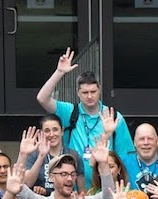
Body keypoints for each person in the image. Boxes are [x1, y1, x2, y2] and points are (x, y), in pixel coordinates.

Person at [36, 49, 134, 184]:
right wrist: (59, 72)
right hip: (73, 185)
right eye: (85, 92)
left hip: (105, 187)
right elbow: (42, 98)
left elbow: (125, 158)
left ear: (99, 90)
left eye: (93, 91)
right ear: (78, 93)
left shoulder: (114, 116)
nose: (89, 96)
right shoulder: (70, 111)